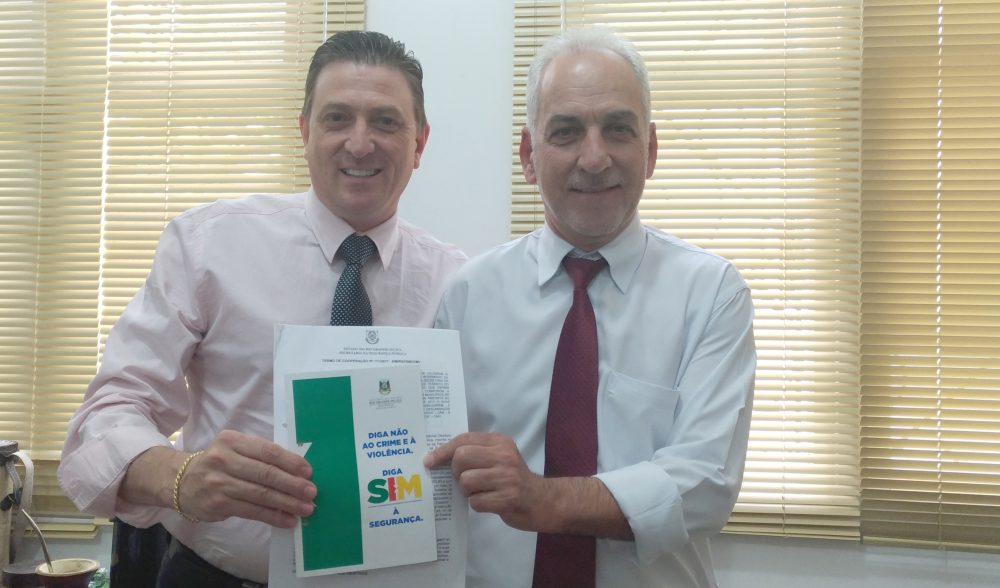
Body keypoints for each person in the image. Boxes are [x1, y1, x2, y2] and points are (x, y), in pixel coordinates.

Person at [58, 30, 466, 587]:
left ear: (419, 143)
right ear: (305, 132)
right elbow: (107, 413)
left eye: (386, 122)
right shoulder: (208, 246)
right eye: (337, 118)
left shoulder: (458, 282)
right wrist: (181, 476)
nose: (359, 143)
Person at [426, 27, 756, 588]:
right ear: (529, 156)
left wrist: (544, 500)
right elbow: (430, 471)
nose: (596, 157)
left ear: (650, 150)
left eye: (619, 129)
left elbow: (704, 484)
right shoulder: (468, 293)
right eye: (567, 131)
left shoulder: (711, 293)